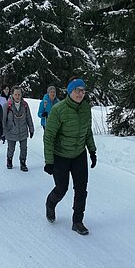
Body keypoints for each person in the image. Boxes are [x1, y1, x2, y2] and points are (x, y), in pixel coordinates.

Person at [43, 76, 97, 235]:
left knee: (81, 189)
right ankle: (50, 204)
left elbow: (88, 132)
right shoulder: (58, 110)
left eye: (82, 91)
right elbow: (49, 136)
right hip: (61, 156)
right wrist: (49, 161)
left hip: (79, 154)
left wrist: (92, 151)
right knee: (61, 188)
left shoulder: (86, 108)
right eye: (77, 91)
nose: (80, 94)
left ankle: (77, 221)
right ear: (69, 91)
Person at [2, 85, 34, 171]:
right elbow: (3, 120)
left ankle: (23, 162)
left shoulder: (25, 105)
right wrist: (3, 133)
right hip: (11, 131)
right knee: (11, 148)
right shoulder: (7, 106)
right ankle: (9, 160)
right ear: (12, 94)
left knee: (24, 148)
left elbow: (29, 117)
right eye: (15, 94)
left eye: (19, 94)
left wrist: (31, 129)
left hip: (23, 131)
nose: (17, 96)